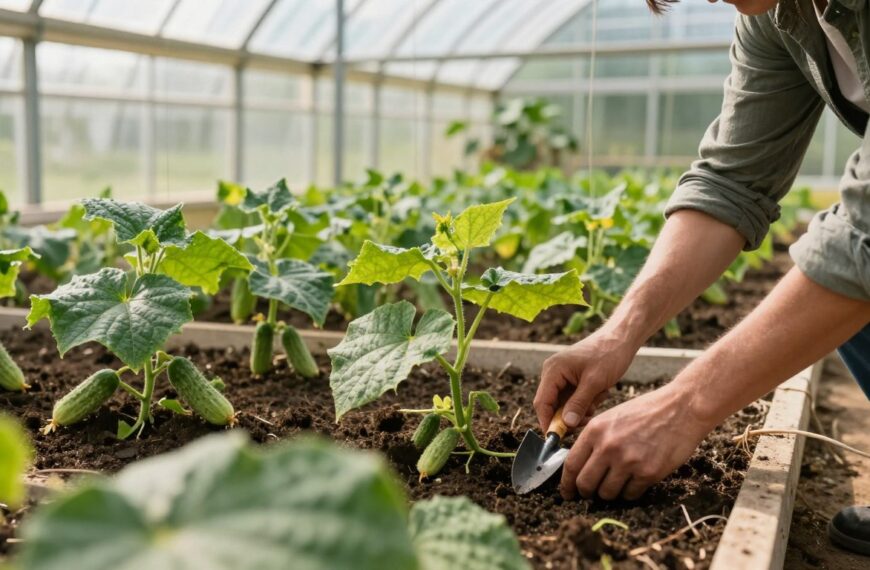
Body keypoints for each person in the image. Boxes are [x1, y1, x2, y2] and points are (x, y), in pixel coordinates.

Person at [533, 0, 870, 556]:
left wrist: (683, 406)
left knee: (843, 266)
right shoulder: (776, 15)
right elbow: (731, 181)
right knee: (835, 280)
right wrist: (618, 335)